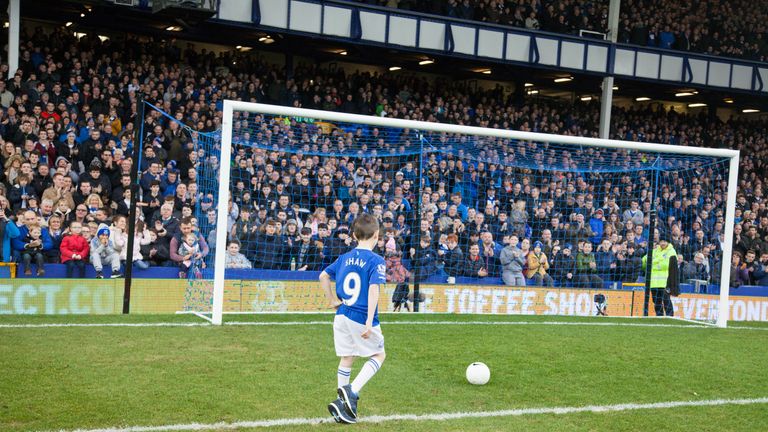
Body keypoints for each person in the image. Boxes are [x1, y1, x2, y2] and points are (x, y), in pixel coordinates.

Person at [320, 213, 386, 424]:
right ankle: (352, 392)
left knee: (347, 357)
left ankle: (342, 408)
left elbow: (323, 275)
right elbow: (374, 289)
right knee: (378, 355)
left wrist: (332, 300)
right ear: (376, 235)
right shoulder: (376, 260)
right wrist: (368, 321)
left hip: (342, 315)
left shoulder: (344, 257)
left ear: (355, 235)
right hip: (360, 315)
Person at [642, 234, 678, 316]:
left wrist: (654, 262)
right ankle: (659, 316)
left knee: (666, 300)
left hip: (665, 282)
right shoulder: (655, 251)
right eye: (661, 241)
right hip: (653, 282)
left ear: (668, 242)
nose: (663, 243)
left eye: (665, 241)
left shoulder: (671, 252)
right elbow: (644, 260)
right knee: (656, 301)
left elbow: (668, 265)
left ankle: (670, 316)